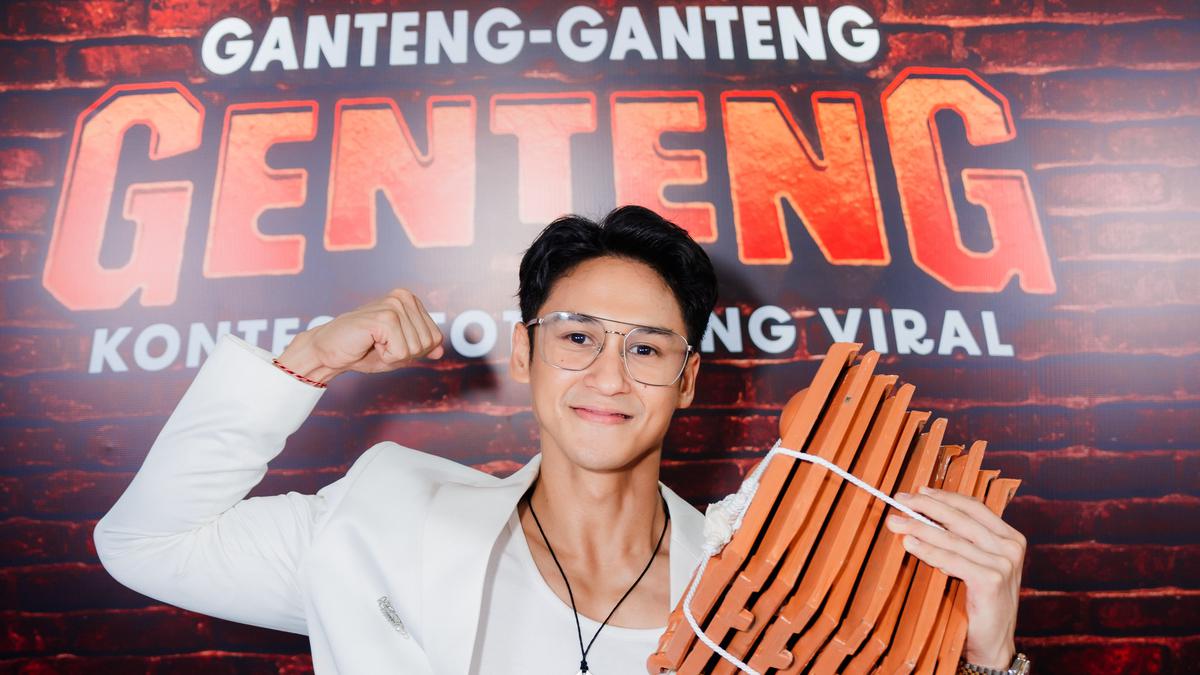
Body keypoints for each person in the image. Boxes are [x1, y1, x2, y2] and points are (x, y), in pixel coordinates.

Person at [95, 205, 1027, 674]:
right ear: (526, 353)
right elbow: (147, 544)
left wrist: (985, 658)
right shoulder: (383, 515)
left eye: (647, 348)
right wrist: (306, 360)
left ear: (688, 379)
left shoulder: (767, 589)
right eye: (578, 337)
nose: (609, 377)